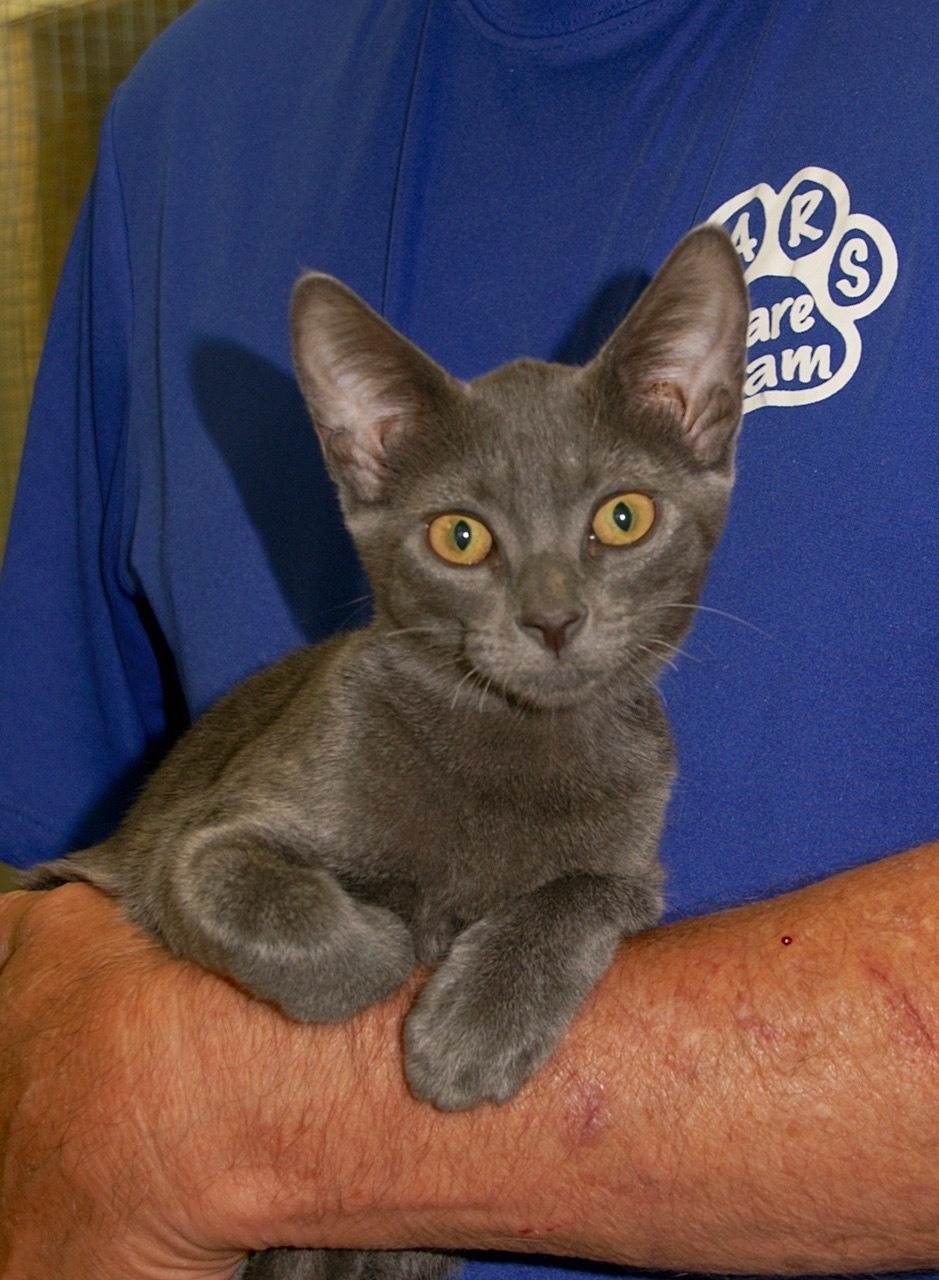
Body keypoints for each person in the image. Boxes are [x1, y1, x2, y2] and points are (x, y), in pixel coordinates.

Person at [0, 0, 937, 1275]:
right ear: (362, 463)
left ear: (710, 416)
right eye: (464, 541)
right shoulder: (185, 117)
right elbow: (52, 944)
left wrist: (264, 1114)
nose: (552, 609)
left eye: (617, 519)